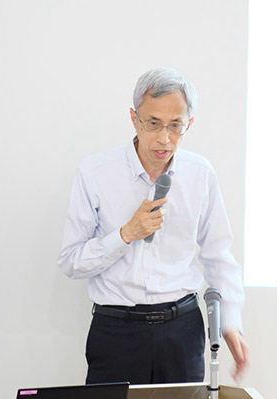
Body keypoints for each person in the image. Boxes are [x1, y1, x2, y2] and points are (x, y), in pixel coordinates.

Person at [57, 67, 249, 385]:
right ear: (134, 118)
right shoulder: (95, 172)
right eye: (153, 124)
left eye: (176, 126)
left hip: (182, 331)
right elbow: (71, 261)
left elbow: (218, 256)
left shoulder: (200, 174)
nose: (164, 138)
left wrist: (230, 322)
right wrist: (126, 234)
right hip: (116, 331)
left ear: (190, 123)